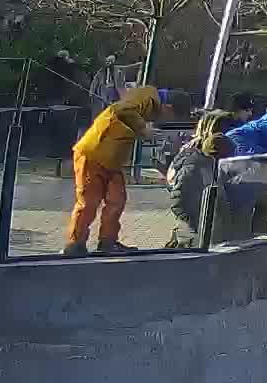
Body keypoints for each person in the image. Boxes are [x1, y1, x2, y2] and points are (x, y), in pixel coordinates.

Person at [64, 85, 177, 256]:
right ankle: (75, 244)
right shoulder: (148, 98)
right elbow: (121, 109)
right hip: (94, 152)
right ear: (168, 107)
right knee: (89, 202)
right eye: (172, 116)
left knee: (117, 200)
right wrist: (143, 129)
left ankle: (107, 242)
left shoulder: (148, 100)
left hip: (112, 158)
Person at [165, 110, 234, 248]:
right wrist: (196, 225)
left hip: (207, 231)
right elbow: (179, 200)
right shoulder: (195, 163)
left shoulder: (210, 158)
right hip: (195, 235)